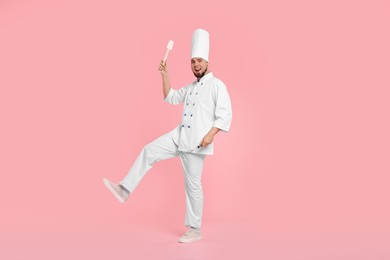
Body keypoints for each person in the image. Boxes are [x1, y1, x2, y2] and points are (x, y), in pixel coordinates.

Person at [103, 28, 232, 243]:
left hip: (196, 144)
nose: (196, 65)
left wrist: (211, 134)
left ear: (207, 61)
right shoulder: (191, 87)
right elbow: (170, 97)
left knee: (192, 186)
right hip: (179, 136)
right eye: (193, 61)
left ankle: (194, 229)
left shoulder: (217, 85)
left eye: (199, 60)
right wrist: (165, 74)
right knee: (149, 150)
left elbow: (225, 113)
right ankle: (124, 189)